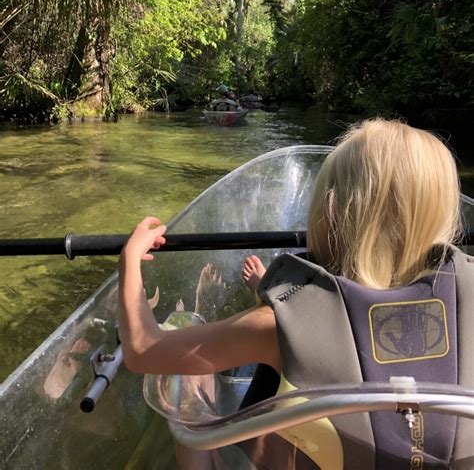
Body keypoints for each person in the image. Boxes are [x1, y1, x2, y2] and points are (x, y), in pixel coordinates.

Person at [118, 118, 473, 469]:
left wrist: (129, 262)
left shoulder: (281, 324)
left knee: (187, 362)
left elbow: (142, 350)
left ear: (332, 211)